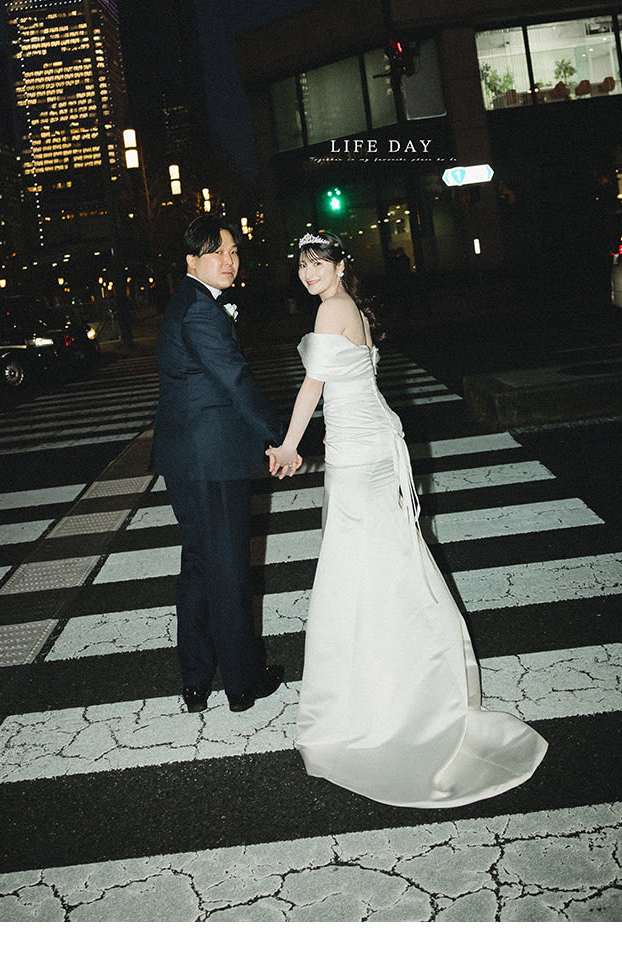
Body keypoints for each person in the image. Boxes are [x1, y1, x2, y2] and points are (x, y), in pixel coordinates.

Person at [267, 228, 546, 807]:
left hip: (359, 453)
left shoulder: (332, 310)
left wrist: (290, 445)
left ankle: (377, 695)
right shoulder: (347, 305)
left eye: (318, 263)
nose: (309, 272)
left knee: (354, 566)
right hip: (369, 443)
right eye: (302, 264)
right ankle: (407, 672)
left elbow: (312, 388)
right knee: (385, 560)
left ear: (339, 266)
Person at [151, 214, 301, 714]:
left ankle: (196, 682)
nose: (229, 260)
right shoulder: (201, 310)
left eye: (233, 251)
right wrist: (281, 438)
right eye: (217, 252)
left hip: (188, 458)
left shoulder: (187, 301)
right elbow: (235, 379)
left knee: (198, 566)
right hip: (211, 460)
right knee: (229, 571)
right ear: (191, 260)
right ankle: (242, 683)